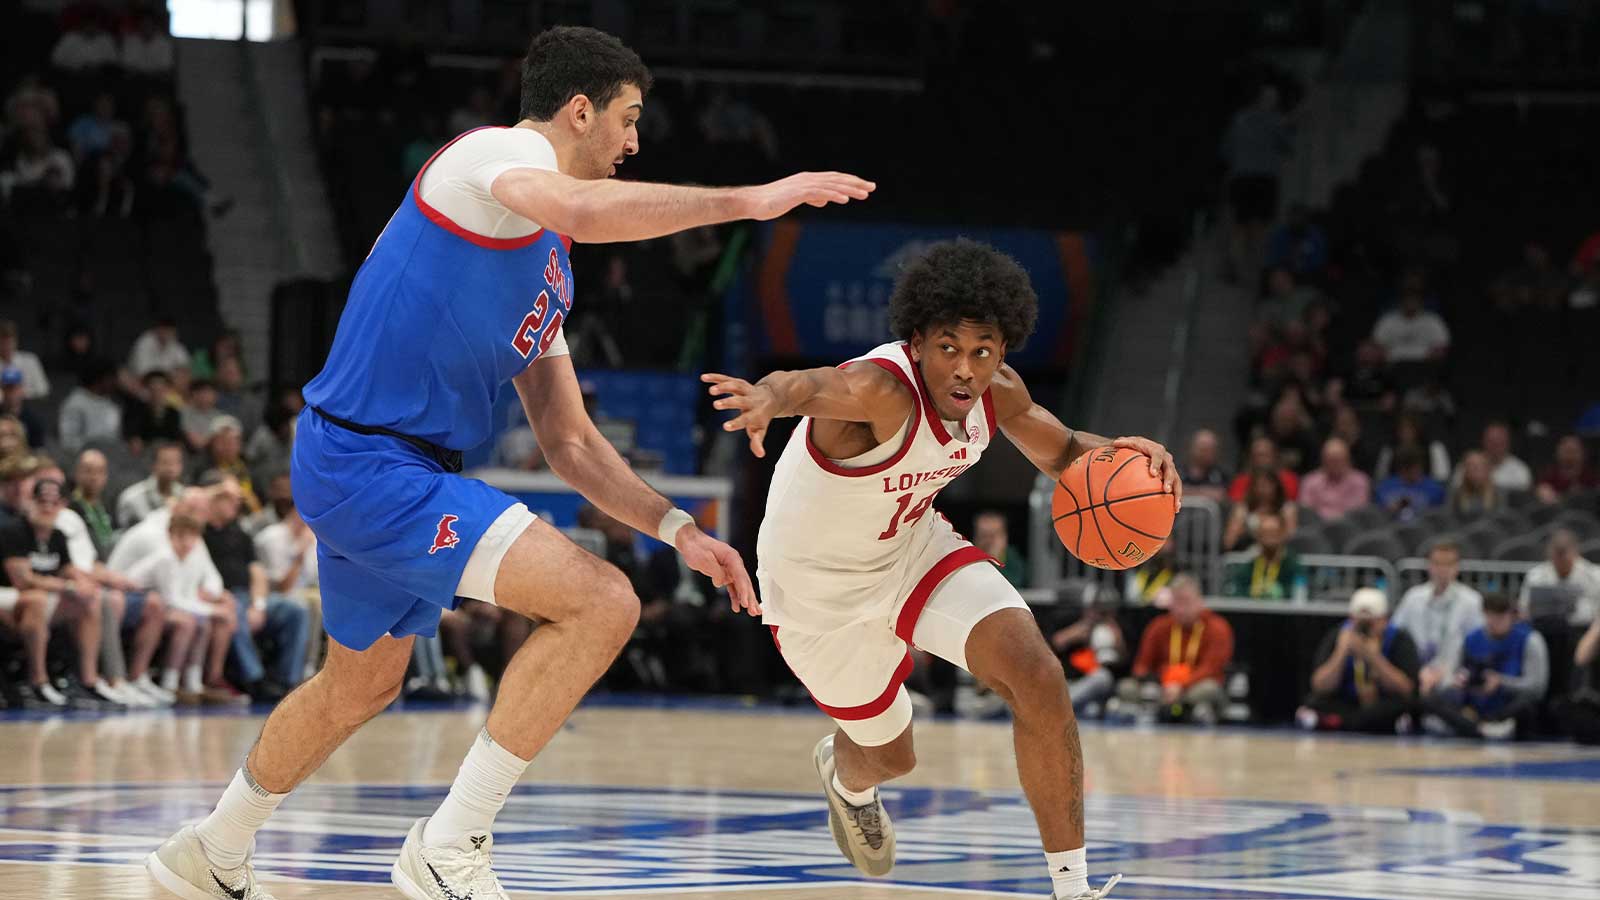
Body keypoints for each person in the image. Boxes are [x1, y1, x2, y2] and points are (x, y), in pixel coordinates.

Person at [147, 25, 869, 900]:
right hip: (372, 462)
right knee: (603, 603)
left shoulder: (548, 268)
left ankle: (211, 849)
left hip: (384, 466)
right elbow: (578, 208)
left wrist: (678, 528)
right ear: (578, 110)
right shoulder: (489, 161)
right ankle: (450, 844)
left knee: (358, 686)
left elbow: (568, 443)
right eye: (628, 120)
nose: (634, 144)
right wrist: (751, 201)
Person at [704, 238, 1175, 900]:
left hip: (911, 549)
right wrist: (766, 396)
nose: (964, 367)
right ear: (918, 340)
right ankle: (848, 779)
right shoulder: (879, 391)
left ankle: (1073, 890)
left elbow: (1068, 453)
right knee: (894, 756)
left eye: (983, 350)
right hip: (817, 594)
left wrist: (1133, 459)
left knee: (1038, 675)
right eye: (949, 347)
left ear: (1002, 352)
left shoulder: (998, 392)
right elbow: (812, 386)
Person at [0, 477, 111, 707]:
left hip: (36, 599)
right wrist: (66, 586)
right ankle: (38, 681)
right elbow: (22, 579)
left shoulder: (57, 535)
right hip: (7, 594)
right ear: (31, 502)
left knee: (89, 600)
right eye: (42, 502)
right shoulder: (15, 530)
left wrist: (83, 583)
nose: (47, 508)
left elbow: (68, 569)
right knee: (37, 600)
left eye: (53, 503)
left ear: (62, 506)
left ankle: (87, 681)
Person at [200, 472, 309, 703]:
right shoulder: (197, 527)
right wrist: (218, 489)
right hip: (219, 598)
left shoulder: (239, 532)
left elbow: (257, 572)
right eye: (229, 497)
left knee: (295, 610)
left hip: (250, 598)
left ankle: (286, 681)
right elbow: (185, 501)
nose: (237, 502)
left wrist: (258, 605)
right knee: (235, 607)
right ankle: (255, 679)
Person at [1422, 592, 1548, 740]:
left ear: (1511, 616)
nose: (1495, 622)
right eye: (1491, 616)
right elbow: (1453, 674)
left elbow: (1537, 687)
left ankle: (1484, 724)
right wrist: (1460, 681)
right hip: (1474, 703)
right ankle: (1477, 727)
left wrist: (1501, 682)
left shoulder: (1530, 640)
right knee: (1433, 698)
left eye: (1501, 617)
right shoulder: (1470, 639)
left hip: (1506, 703)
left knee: (1526, 703)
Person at [1298, 587, 1419, 734]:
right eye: (1360, 622)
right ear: (1351, 618)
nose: (1364, 628)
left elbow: (1406, 689)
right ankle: (1364, 723)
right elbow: (1319, 685)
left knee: (1405, 705)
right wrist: (1341, 652)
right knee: (1315, 701)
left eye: (1371, 622)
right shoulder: (1339, 635)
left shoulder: (1398, 638)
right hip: (1347, 701)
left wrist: (1374, 658)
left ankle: (1334, 722)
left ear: (1384, 620)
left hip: (1382, 701)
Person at [1115, 575, 1231, 726]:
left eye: (1186, 602)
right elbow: (1141, 665)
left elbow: (1211, 668)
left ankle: (1191, 712)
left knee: (1209, 689)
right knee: (1126, 687)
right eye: (1177, 602)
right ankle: (1157, 710)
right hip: (1162, 688)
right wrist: (1158, 683)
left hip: (1194, 688)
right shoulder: (1159, 626)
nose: (1181, 609)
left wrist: (1181, 686)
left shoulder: (1217, 627)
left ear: (1200, 601)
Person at [1392, 541, 1484, 696]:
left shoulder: (1471, 601)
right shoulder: (1413, 597)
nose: (1442, 569)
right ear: (1429, 566)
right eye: (1437, 564)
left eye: (1448, 564)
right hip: (1416, 674)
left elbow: (1478, 645)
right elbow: (1395, 635)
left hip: (1454, 679)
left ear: (1456, 568)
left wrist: (1457, 675)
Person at [1049, 590, 1125, 718]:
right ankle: (1059, 707)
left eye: (1102, 611)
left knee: (1102, 678)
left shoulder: (1111, 629)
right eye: (1094, 609)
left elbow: (1122, 661)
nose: (1097, 614)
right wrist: (1074, 634)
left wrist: (1116, 640)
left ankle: (1058, 708)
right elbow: (1055, 643)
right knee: (1091, 710)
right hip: (1068, 683)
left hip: (1092, 684)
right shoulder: (1074, 623)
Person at [1519, 529, 1600, 627]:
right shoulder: (1535, 575)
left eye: (1564, 552)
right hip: (1544, 629)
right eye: (1557, 552)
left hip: (1584, 629)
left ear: (1575, 551)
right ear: (1548, 552)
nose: (1561, 558)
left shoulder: (1594, 575)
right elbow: (1524, 609)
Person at [1223, 511, 1301, 600]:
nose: (1269, 538)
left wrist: (1281, 593)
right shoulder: (1249, 566)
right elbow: (1237, 591)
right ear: (1258, 536)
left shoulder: (1293, 565)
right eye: (1265, 533)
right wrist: (1250, 592)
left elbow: (1300, 592)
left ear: (1282, 534)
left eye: (1273, 533)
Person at [1223, 467, 1297, 551]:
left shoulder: (1287, 508)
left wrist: (1269, 539)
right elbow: (1228, 542)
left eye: (1267, 485)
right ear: (1253, 487)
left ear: (1276, 486)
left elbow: (1291, 538)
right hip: (1248, 553)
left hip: (1279, 554)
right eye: (1259, 485)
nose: (1263, 489)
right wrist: (1239, 531)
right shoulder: (1242, 508)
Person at [1298, 437, 1371, 521]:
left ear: (1348, 460)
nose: (1335, 464)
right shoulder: (1310, 481)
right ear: (1323, 460)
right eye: (1331, 460)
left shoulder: (1360, 481)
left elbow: (1357, 512)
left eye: (1339, 460)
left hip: (1349, 528)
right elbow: (1306, 511)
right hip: (1316, 527)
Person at [117, 441, 185, 527]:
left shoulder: (185, 495)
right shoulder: (132, 498)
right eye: (166, 462)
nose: (171, 467)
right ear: (153, 465)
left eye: (176, 462)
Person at [1375, 448, 1445, 521]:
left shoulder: (1435, 489)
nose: (1412, 471)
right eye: (1407, 468)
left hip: (1423, 529)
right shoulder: (1384, 488)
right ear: (1401, 468)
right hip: (1389, 528)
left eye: (1415, 467)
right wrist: (1390, 509)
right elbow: (1377, 515)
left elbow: (1438, 517)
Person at [1535, 435, 1598, 504]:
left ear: (1583, 453)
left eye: (1574, 451)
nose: (1570, 456)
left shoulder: (1593, 477)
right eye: (1567, 451)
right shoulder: (1548, 476)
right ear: (1558, 452)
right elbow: (1545, 496)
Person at [974, 510, 1028, 590]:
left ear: (1004, 537)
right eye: (984, 535)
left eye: (993, 535)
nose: (988, 541)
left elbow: (1017, 583)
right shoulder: (969, 557)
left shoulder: (1013, 557)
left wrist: (995, 560)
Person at [0, 320, 49, 399]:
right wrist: (5, 394)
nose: (6, 347)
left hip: (28, 405)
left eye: (9, 342)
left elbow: (43, 389)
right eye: (2, 343)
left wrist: (23, 392)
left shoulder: (30, 360)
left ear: (16, 341)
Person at [0, 368, 45, 448]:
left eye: (15, 388)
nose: (11, 393)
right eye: (8, 388)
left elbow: (38, 448)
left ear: (22, 389)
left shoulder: (33, 419)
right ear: (2, 390)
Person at [1448, 449, 1502, 516]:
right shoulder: (1455, 494)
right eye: (1470, 466)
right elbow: (1448, 519)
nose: (1474, 470)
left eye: (1479, 467)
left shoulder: (1499, 494)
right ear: (1464, 470)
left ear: (1488, 470)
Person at [1181, 428, 1229, 503]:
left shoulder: (1221, 475)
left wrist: (1187, 491)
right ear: (1192, 448)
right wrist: (1205, 492)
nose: (1204, 454)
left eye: (1209, 449)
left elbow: (1221, 496)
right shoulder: (1178, 472)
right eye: (1202, 449)